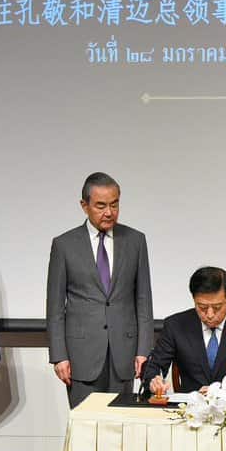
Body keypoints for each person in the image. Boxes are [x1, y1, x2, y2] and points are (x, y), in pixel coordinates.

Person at [46, 172, 154, 408]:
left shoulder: (135, 241)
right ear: (84, 206)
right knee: (85, 425)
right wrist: (59, 355)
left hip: (123, 354)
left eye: (114, 205)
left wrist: (144, 350)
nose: (109, 212)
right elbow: (55, 308)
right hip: (81, 356)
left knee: (119, 424)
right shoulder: (64, 245)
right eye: (101, 205)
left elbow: (144, 299)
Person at [143, 266, 226, 395]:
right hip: (188, 405)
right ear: (193, 298)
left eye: (217, 307)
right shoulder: (176, 325)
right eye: (202, 307)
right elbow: (153, 366)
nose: (210, 315)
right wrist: (154, 381)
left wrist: (223, 393)